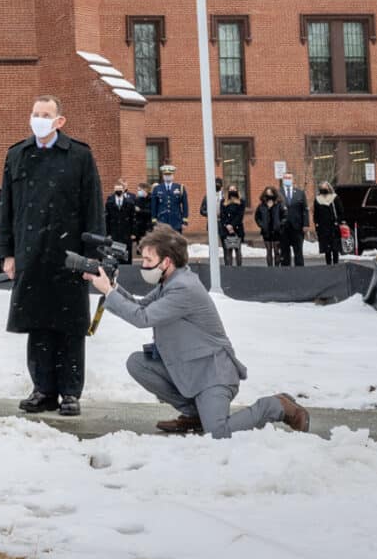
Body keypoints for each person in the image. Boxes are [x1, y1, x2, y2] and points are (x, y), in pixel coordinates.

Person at [86, 224, 311, 438]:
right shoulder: (170, 282)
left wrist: (108, 292)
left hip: (213, 374)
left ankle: (277, 405)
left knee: (218, 432)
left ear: (166, 261)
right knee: (137, 363)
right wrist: (112, 288)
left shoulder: (183, 288)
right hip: (190, 371)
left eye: (148, 259)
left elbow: (143, 318)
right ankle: (196, 416)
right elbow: (143, 306)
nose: (143, 265)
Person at [0, 95, 103, 418]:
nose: (39, 119)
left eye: (46, 114)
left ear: (60, 122)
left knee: (70, 326)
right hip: (32, 254)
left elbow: (93, 210)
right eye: (35, 113)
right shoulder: (17, 155)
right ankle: (43, 389)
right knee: (38, 324)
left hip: (69, 256)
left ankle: (70, 392)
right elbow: (8, 211)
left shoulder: (79, 156)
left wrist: (91, 258)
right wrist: (7, 253)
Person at [278, 173, 308, 267]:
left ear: (293, 179)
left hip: (297, 227)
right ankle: (286, 272)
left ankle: (299, 272)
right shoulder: (278, 193)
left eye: (289, 178)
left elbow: (305, 210)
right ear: (283, 179)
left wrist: (306, 224)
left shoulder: (300, 193)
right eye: (286, 178)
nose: (287, 179)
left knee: (298, 251)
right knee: (284, 252)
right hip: (283, 228)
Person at [312, 182, 342, 267]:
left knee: (335, 248)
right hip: (323, 227)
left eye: (325, 187)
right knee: (326, 249)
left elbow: (340, 211)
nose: (323, 189)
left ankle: (336, 265)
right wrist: (317, 224)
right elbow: (315, 214)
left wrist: (338, 222)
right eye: (322, 187)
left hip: (333, 226)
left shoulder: (334, 198)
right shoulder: (317, 199)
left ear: (329, 188)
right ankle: (328, 265)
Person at [150, 165, 188, 232]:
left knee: (176, 241)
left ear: (173, 176)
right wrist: (154, 220)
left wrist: (184, 221)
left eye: (169, 175)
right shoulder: (157, 188)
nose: (167, 177)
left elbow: (185, 206)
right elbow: (154, 206)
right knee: (163, 241)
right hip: (161, 221)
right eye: (166, 175)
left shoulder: (180, 188)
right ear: (163, 176)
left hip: (176, 221)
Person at [106, 180, 139, 253]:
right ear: (114, 190)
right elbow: (107, 218)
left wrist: (133, 233)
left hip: (126, 231)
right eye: (117, 190)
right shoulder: (109, 203)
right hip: (114, 231)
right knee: (115, 251)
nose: (118, 191)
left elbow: (133, 218)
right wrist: (108, 233)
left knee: (126, 251)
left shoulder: (130, 203)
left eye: (120, 190)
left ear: (123, 190)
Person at [255, 186, 285, 266]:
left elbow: (284, 216)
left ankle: (277, 267)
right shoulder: (262, 205)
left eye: (271, 193)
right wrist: (261, 225)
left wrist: (280, 224)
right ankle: (270, 267)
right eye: (267, 193)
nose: (269, 195)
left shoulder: (279, 204)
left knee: (276, 251)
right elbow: (257, 217)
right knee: (268, 251)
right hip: (266, 231)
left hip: (277, 231)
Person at [218, 187, 245, 269]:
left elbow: (240, 215)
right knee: (228, 251)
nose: (232, 191)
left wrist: (232, 225)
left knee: (238, 250)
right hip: (226, 229)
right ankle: (229, 269)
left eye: (234, 189)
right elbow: (222, 215)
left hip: (237, 228)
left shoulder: (241, 202)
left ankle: (239, 269)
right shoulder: (223, 202)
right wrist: (227, 225)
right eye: (230, 189)